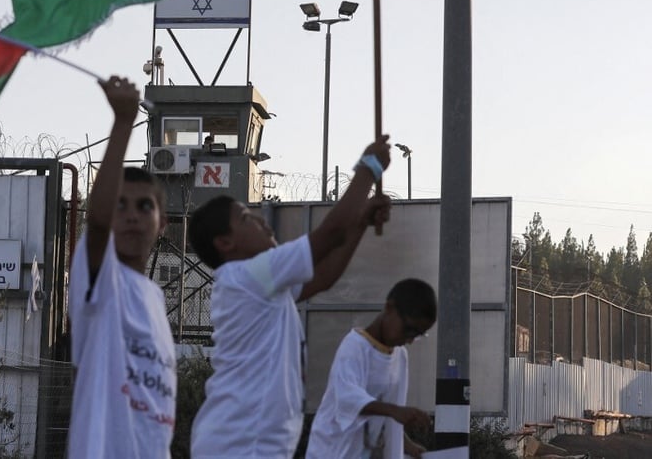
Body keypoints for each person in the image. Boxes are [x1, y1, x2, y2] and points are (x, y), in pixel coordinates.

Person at [189, 136, 393, 458]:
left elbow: (324, 277)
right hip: (240, 444)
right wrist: (368, 169)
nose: (260, 220)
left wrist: (361, 222)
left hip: (247, 441)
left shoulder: (260, 285)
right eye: (246, 218)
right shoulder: (248, 275)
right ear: (226, 243)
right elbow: (330, 235)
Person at [67, 75, 176, 459]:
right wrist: (124, 121)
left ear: (162, 223)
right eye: (120, 205)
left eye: (144, 206)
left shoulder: (153, 298)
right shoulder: (102, 276)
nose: (131, 215)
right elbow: (96, 223)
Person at [305, 278, 437, 459]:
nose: (410, 339)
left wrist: (406, 445)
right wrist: (394, 411)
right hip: (330, 451)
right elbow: (347, 398)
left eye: (418, 335)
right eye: (408, 329)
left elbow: (391, 418)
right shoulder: (354, 346)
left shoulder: (400, 356)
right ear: (389, 308)